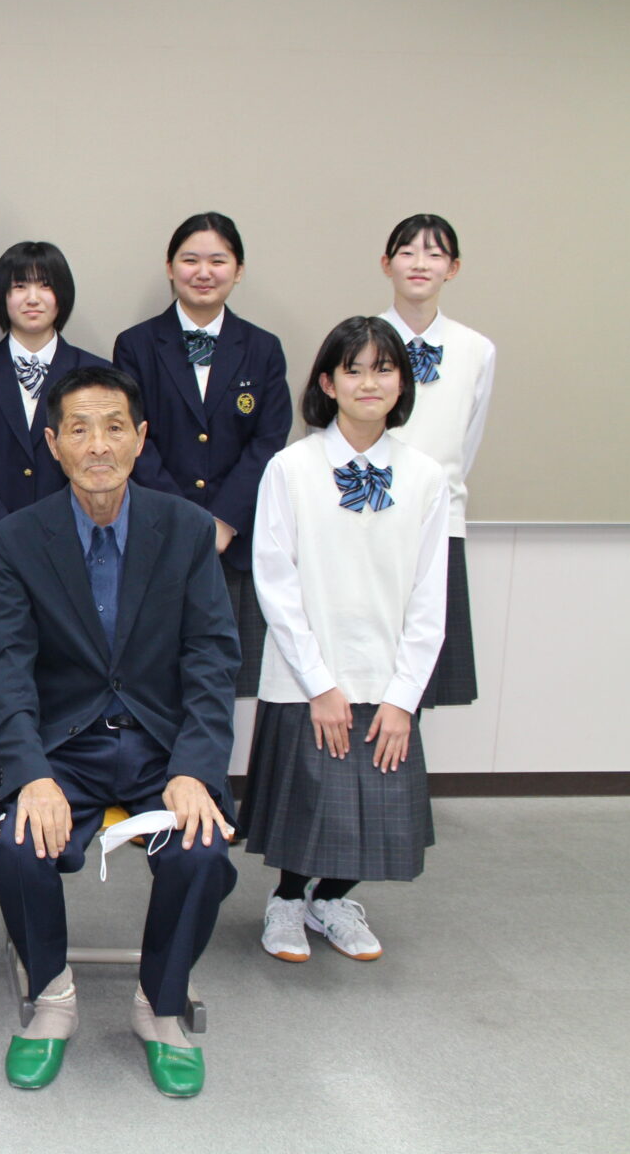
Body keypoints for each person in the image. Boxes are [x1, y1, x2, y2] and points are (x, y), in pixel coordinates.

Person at [0, 363, 239, 1099]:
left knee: (202, 849)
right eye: (81, 430)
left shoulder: (186, 531)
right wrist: (31, 774)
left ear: (141, 438)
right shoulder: (16, 539)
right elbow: (6, 671)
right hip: (66, 745)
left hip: (162, 746)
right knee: (18, 845)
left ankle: (160, 1006)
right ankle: (53, 996)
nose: (99, 445)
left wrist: (195, 767)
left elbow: (213, 659)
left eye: (116, 426)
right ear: (55, 444)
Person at [241, 317, 447, 964]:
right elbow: (275, 581)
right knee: (307, 811)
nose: (368, 382)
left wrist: (402, 697)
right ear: (327, 382)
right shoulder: (291, 468)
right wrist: (320, 685)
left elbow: (429, 595)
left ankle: (331, 901)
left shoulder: (424, 476)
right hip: (307, 676)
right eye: (352, 369)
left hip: (385, 677)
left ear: (401, 383)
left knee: (377, 813)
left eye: (383, 369)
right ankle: (287, 902)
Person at [0, 241, 112, 844]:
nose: (32, 296)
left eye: (43, 284)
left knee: (62, 680)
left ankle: (50, 785)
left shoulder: (95, 372)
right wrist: (16, 541)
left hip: (77, 555)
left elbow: (104, 463)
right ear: (2, 298)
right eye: (19, 285)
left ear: (60, 294)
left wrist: (58, 540)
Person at [113, 212, 291, 696]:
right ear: (170, 267)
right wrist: (191, 520)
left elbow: (269, 441)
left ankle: (210, 774)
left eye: (218, 260)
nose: (204, 271)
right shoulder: (135, 345)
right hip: (157, 535)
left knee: (223, 679)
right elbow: (131, 437)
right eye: (190, 259)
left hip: (232, 545)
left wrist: (225, 521)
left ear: (239, 269)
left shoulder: (263, 348)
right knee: (153, 672)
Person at [377, 214, 491, 708]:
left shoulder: (476, 349)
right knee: (368, 655)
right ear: (387, 264)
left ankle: (399, 779)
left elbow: (467, 441)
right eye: (407, 252)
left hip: (439, 521)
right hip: (369, 513)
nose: (420, 263)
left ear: (454, 267)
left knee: (419, 668)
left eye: (435, 253)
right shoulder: (361, 338)